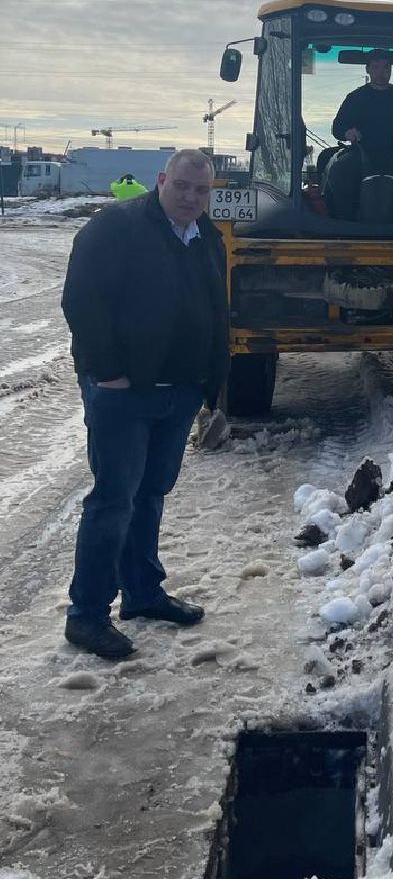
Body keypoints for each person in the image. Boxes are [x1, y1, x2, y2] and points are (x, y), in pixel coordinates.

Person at [60, 149, 228, 660]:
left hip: (178, 391)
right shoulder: (115, 227)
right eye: (182, 186)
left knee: (151, 492)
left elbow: (215, 310)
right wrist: (107, 371)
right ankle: (86, 616)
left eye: (201, 191)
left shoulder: (208, 237)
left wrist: (211, 385)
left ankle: (142, 593)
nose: (191, 198)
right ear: (160, 181)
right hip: (124, 394)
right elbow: (82, 301)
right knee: (114, 500)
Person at [329, 50, 393, 220]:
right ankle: (344, 221)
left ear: (390, 70)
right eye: (376, 67)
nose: (381, 72)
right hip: (361, 154)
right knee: (339, 170)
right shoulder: (355, 98)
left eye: (386, 68)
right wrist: (348, 132)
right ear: (367, 70)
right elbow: (337, 127)